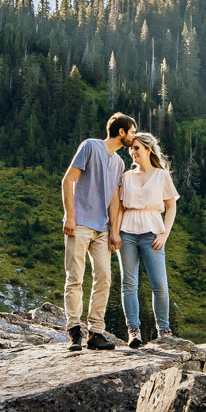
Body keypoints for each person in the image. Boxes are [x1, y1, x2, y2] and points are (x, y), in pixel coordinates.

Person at [61, 112, 137, 351]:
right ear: (121, 132)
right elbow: (67, 180)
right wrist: (70, 217)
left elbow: (115, 200)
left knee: (104, 277)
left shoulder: (119, 163)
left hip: (103, 229)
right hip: (80, 223)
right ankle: (74, 331)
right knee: (75, 277)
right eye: (132, 132)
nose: (134, 137)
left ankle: (95, 333)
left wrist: (115, 231)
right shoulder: (90, 146)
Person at [114, 130, 179, 347]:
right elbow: (121, 208)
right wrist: (115, 233)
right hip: (128, 232)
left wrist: (164, 234)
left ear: (148, 149)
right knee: (128, 283)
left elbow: (171, 207)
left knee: (159, 284)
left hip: (153, 231)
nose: (132, 152)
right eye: (131, 149)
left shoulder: (162, 176)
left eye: (136, 148)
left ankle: (164, 331)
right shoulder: (126, 177)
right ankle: (134, 331)